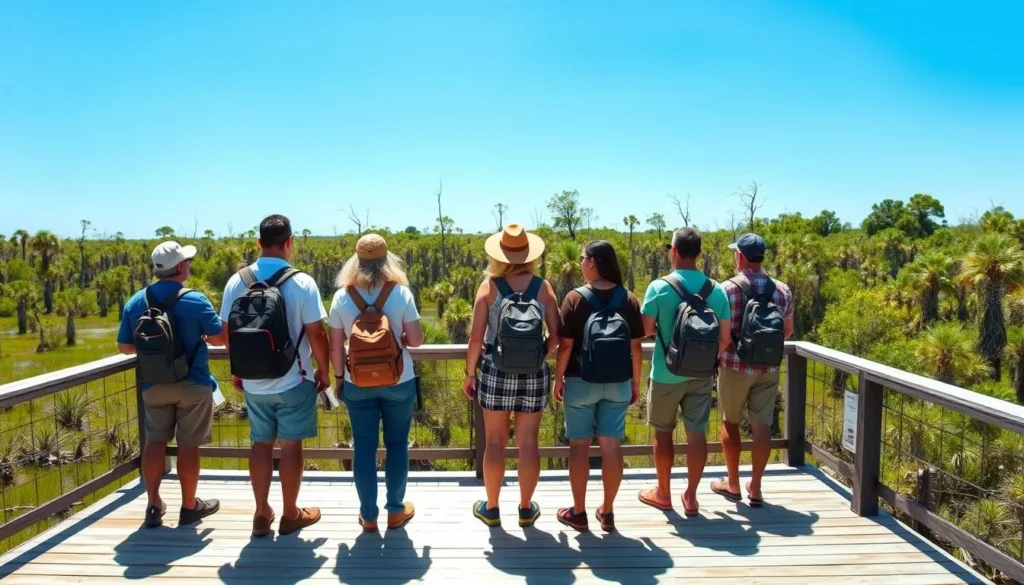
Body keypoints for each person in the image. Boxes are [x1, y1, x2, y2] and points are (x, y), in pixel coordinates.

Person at [220, 214, 331, 537]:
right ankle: (291, 513)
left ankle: (260, 512)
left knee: (260, 444)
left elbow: (229, 332)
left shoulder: (236, 281)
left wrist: (240, 369)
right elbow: (317, 334)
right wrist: (324, 371)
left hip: (253, 383)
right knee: (292, 446)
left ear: (259, 243)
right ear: (288, 243)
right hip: (294, 379)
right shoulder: (302, 282)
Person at [117, 241, 225, 528]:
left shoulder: (136, 301)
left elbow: (125, 346)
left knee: (155, 442)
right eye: (187, 261)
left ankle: (153, 505)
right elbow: (218, 339)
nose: (189, 264)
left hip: (154, 385)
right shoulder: (196, 300)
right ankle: (189, 506)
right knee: (189, 446)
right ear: (179, 267)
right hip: (193, 383)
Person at [463, 224, 559, 527]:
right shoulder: (543, 288)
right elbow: (556, 337)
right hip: (534, 374)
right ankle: (526, 508)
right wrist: (538, 357)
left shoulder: (489, 287)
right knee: (528, 443)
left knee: (494, 442)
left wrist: (469, 374)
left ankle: (491, 508)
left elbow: (476, 339)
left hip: (495, 369)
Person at [327, 234, 424, 532]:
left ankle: (368, 516)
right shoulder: (401, 294)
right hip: (400, 380)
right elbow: (416, 341)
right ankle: (395, 510)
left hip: (357, 382)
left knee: (364, 449)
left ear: (355, 262)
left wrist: (340, 379)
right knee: (397, 446)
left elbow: (335, 348)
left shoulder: (343, 297)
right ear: (387, 260)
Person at [638, 227, 731, 516]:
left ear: (674, 251)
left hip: (665, 374)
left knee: (663, 434)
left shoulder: (659, 287)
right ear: (699, 254)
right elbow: (725, 338)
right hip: (701, 375)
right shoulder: (716, 290)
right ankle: (691, 496)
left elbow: (644, 330)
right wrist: (709, 361)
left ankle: (663, 493)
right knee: (697, 435)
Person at [553, 240, 644, 532]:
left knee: (579, 447)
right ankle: (607, 511)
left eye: (583, 258)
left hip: (581, 381)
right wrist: (635, 382)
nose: (580, 262)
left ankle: (578, 513)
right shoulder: (628, 299)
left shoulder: (575, 299)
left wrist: (559, 378)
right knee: (611, 446)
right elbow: (637, 348)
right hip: (618, 382)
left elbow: (565, 347)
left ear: (593, 262)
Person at [711, 233, 794, 506]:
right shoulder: (782, 289)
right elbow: (788, 330)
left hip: (735, 366)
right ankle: (756, 487)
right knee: (762, 426)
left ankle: (732, 484)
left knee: (730, 422)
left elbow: (720, 333)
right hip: (768, 368)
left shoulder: (726, 289)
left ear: (741, 257)